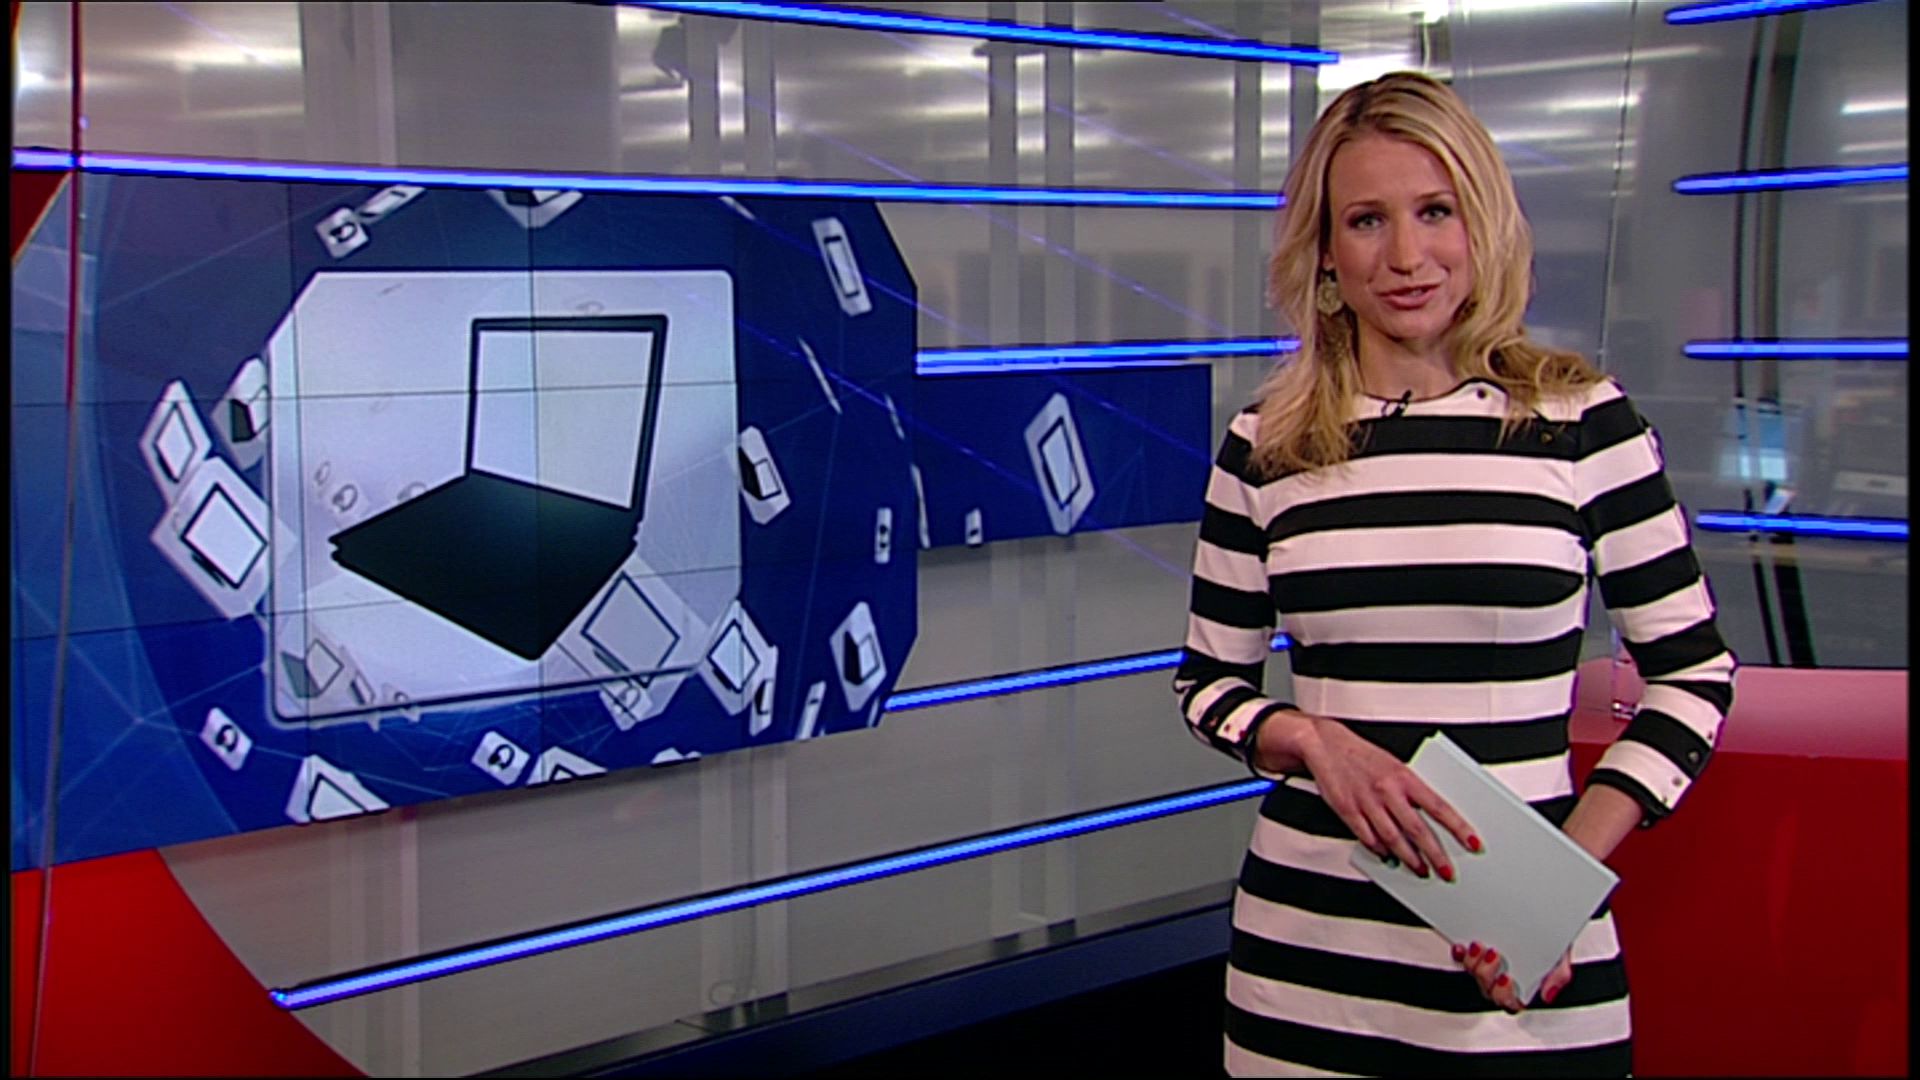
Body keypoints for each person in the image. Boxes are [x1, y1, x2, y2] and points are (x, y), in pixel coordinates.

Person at [1173, 71, 1736, 1077]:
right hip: (1308, 971)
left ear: (1482, 224)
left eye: (1435, 211)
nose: (1406, 256)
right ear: (1325, 250)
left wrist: (1553, 888)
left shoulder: (1582, 423)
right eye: (1367, 221)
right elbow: (1209, 685)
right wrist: (1312, 740)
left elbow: (1694, 678)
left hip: (1525, 964)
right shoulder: (1266, 446)